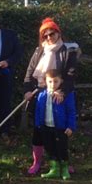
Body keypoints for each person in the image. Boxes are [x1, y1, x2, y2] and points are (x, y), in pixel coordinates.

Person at [24, 17, 79, 175]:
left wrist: (62, 91)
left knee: (60, 131)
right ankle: (37, 163)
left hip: (58, 94)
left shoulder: (68, 52)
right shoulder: (39, 51)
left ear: (58, 33)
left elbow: (70, 75)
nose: (49, 37)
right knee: (39, 130)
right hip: (39, 94)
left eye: (52, 33)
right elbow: (29, 73)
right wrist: (27, 90)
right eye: (45, 35)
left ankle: (63, 163)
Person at [35, 69, 76, 180]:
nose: (53, 84)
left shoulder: (66, 95)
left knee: (62, 148)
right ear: (45, 81)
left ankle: (64, 169)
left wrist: (70, 126)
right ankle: (54, 169)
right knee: (50, 148)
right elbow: (38, 110)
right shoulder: (42, 95)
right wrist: (38, 124)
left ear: (61, 81)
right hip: (46, 127)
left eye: (56, 81)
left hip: (61, 128)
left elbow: (71, 111)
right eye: (50, 81)